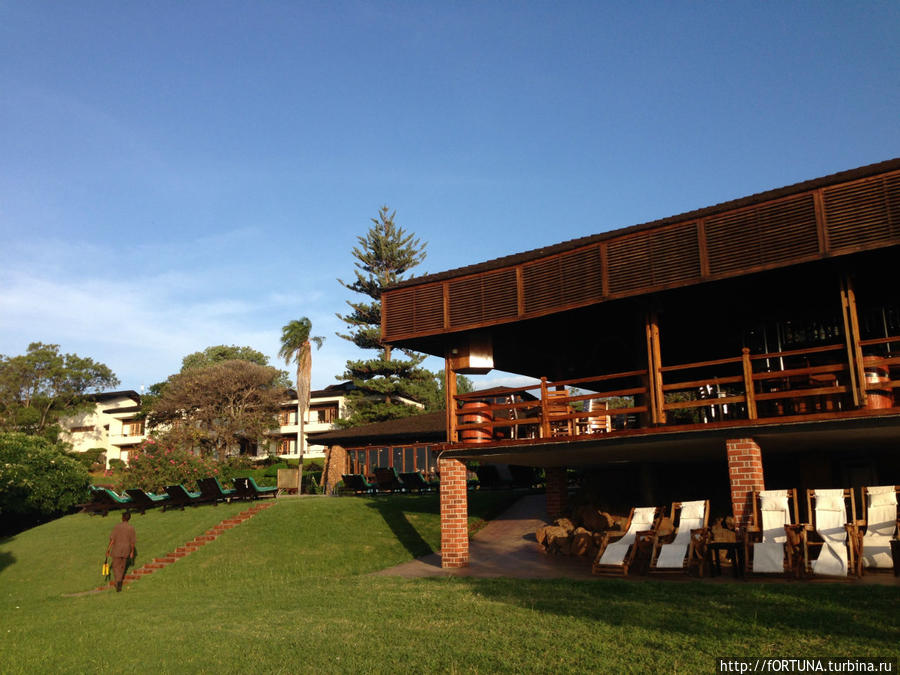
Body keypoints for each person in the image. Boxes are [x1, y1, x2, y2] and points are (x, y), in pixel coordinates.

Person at [106, 511, 136, 592]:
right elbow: (132, 542)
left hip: (117, 549)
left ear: (122, 518)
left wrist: (108, 550)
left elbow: (112, 540)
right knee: (122, 566)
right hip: (126, 549)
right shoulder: (131, 528)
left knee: (116, 566)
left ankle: (118, 581)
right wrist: (132, 552)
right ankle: (119, 581)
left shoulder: (117, 527)